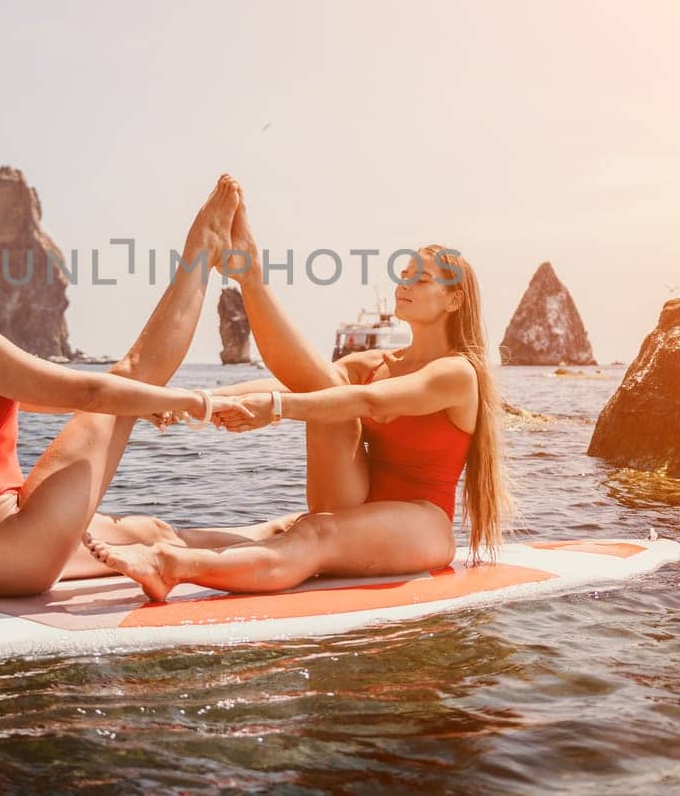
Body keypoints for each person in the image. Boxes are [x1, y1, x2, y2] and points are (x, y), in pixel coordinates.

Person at [0, 170, 283, 597]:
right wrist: (196, 402)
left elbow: (29, 400)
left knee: (153, 533)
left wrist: (140, 406)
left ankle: (282, 538)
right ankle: (201, 250)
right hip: (7, 544)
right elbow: (88, 392)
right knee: (132, 371)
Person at [85, 193, 512, 601]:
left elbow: (372, 402)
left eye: (419, 279)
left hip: (422, 524)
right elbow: (299, 385)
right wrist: (195, 401)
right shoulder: (379, 360)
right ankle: (123, 537)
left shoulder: (458, 373)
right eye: (403, 276)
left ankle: (167, 565)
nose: (404, 285)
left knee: (313, 533)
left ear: (454, 298)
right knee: (274, 529)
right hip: (354, 503)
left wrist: (274, 410)